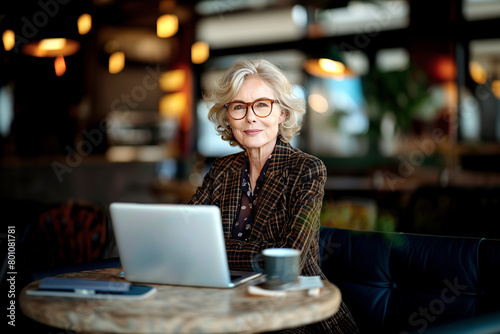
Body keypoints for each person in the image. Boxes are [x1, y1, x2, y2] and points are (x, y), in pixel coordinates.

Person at [189, 59, 359, 333]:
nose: (250, 117)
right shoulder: (222, 169)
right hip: (230, 305)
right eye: (238, 107)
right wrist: (261, 250)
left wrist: (214, 252)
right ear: (227, 116)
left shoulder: (307, 169)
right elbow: (185, 237)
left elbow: (289, 262)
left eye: (262, 104)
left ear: (281, 113)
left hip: (296, 313)